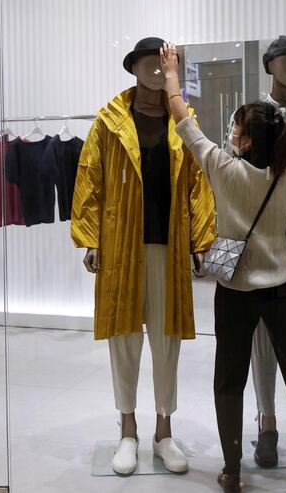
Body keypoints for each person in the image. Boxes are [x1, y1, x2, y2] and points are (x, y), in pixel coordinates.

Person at [161, 42, 286, 492]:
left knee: (228, 380)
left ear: (245, 139)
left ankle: (232, 469)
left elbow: (181, 118)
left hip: (235, 292)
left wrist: (173, 74)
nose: (229, 130)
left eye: (235, 126)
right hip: (282, 289)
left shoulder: (221, 168)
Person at [71, 37, 216, 476]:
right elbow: (89, 176)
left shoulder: (182, 119)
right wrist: (91, 237)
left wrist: (199, 241)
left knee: (166, 341)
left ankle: (164, 431)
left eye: (162, 63)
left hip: (168, 246)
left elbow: (199, 182)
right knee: (124, 341)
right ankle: (128, 431)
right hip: (121, 243)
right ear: (133, 68)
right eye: (146, 63)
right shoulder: (110, 120)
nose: (154, 70)